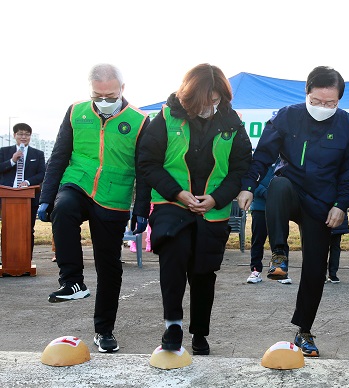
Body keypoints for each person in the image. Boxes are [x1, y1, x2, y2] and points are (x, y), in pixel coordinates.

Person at [237, 66, 349, 357]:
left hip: (323, 204)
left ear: (339, 101)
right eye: (317, 101)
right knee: (278, 185)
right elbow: (263, 156)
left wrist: (341, 204)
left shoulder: (347, 125)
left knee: (315, 270)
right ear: (306, 94)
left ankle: (304, 330)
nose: (323, 108)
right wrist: (247, 185)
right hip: (291, 192)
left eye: (330, 103)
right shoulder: (287, 116)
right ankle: (279, 254)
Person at [137, 63, 252, 355]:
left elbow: (241, 167)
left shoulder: (233, 122)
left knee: (203, 273)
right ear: (188, 97)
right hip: (172, 204)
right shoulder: (164, 117)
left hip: (213, 209)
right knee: (173, 260)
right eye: (203, 102)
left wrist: (216, 198)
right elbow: (147, 163)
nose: (209, 108)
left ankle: (200, 333)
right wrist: (178, 193)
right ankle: (172, 325)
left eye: (215, 101)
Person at [37, 63, 150, 353]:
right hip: (78, 182)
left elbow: (144, 169)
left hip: (113, 196)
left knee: (109, 266)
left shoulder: (139, 121)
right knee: (63, 209)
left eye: (110, 95)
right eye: (97, 96)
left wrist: (141, 209)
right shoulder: (77, 112)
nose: (103, 102)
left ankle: (104, 330)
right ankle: (72, 281)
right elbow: (59, 155)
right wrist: (47, 197)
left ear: (122, 90)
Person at [0, 123, 46, 256]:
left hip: (29, 197)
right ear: (14, 135)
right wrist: (12, 161)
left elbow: (42, 174)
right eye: (20, 134)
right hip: (7, 196)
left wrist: (27, 182)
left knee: (27, 229)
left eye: (27, 134)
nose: (23, 137)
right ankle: (7, 259)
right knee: (7, 229)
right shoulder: (4, 151)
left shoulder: (37, 154)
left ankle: (26, 260)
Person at [246, 159, 290, 284]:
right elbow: (252, 180)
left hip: (279, 209)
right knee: (258, 240)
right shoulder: (258, 162)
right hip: (260, 207)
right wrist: (266, 192)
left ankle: (282, 270)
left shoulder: (283, 162)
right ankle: (255, 270)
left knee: (280, 240)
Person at [326, 211, 349, 283]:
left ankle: (324, 273)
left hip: (325, 217)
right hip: (338, 219)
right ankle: (333, 274)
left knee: (323, 248)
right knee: (335, 248)